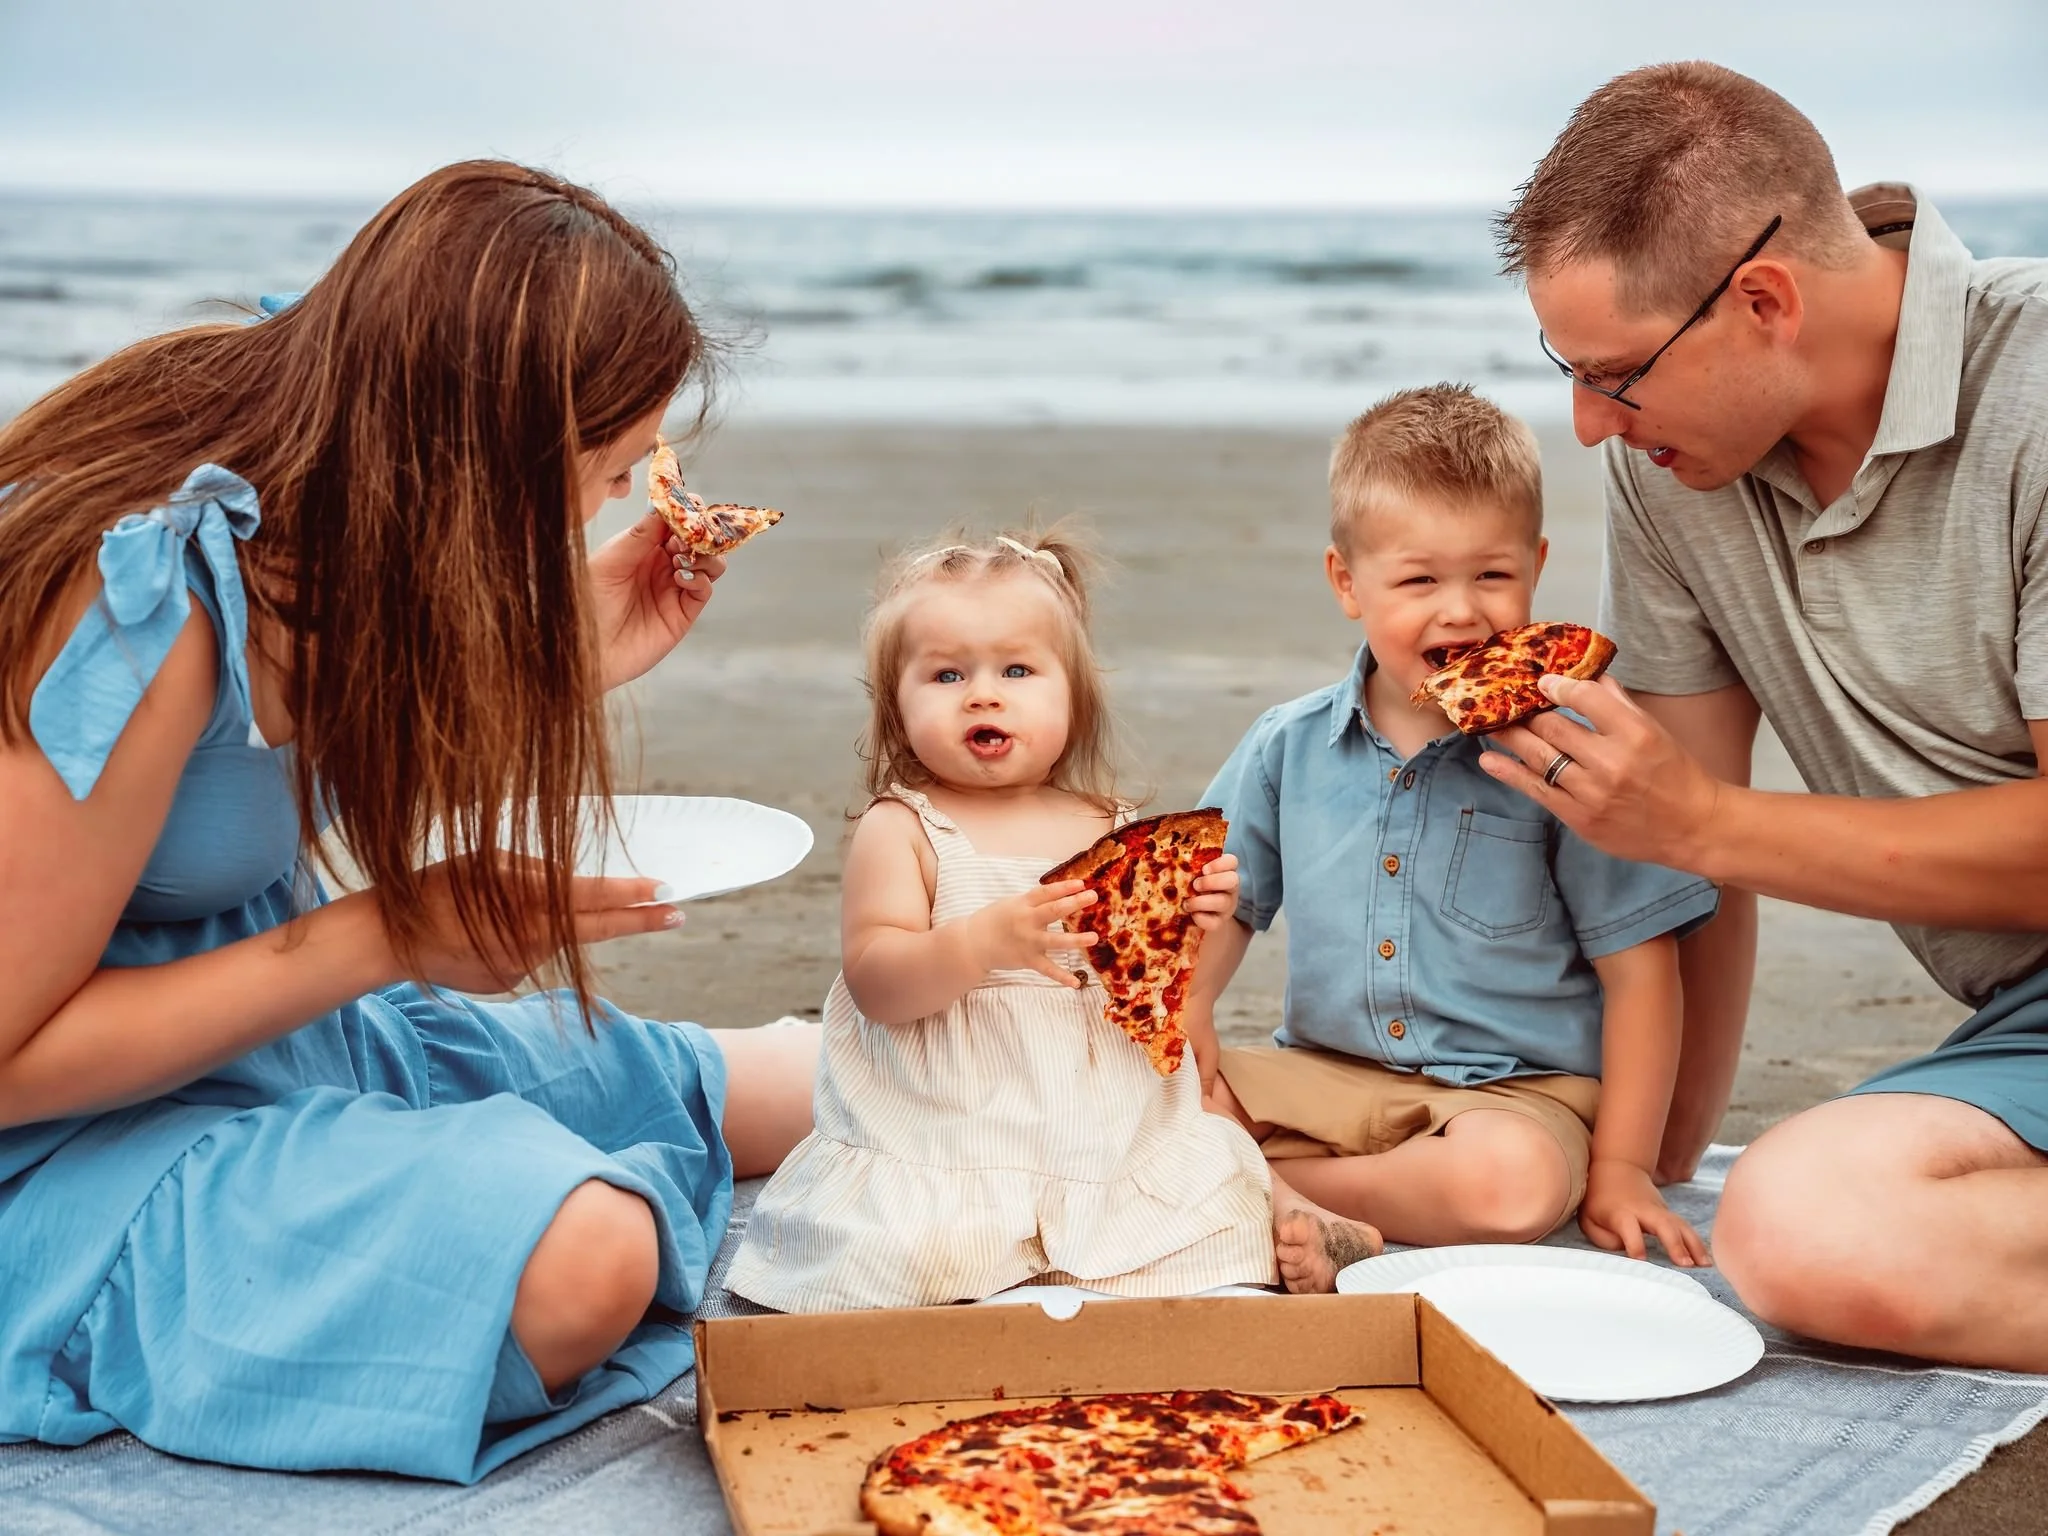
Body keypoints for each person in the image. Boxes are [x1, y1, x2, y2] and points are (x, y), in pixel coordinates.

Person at [0, 161, 818, 1483]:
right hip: (60, 1150)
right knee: (585, 1260)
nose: (621, 501)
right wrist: (384, 936)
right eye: (609, 468)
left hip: (264, 1039)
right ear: (490, 454)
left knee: (813, 1085)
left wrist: (554, 658)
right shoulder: (139, 597)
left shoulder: (328, 500)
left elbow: (263, 774)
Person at [1491, 62, 2048, 1370]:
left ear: (1763, 302)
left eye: (1615, 375)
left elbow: (1697, 823)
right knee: (1796, 1223)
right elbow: (1684, 861)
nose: (1587, 426)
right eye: (1567, 372)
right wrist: (1654, 1166)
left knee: (1809, 1232)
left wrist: (1701, 821)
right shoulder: (1675, 471)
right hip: (2026, 1017)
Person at [727, 527, 1374, 1310]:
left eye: (1017, 670)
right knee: (905, 1253)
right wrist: (980, 942)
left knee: (1210, 1190)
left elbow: (1150, 995)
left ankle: (1306, 1220)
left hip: (1104, 1134)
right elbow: (876, 983)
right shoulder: (904, 830)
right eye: (947, 674)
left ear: (1075, 697)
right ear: (896, 706)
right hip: (950, 1134)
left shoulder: (1110, 826)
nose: (983, 694)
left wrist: (1195, 920)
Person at [1190, 385, 1720, 1288]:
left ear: (1536, 567)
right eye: (1419, 581)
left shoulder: (1570, 758)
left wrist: (1626, 1166)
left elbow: (1641, 974)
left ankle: (1269, 1195)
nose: (1461, 611)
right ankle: (1284, 1190)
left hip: (1512, 1098)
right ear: (1347, 583)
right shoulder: (1287, 745)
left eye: (1491, 576)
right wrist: (1194, 1016)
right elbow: (1220, 903)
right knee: (1149, 1086)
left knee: (1509, 1189)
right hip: (1322, 1079)